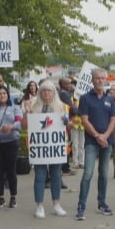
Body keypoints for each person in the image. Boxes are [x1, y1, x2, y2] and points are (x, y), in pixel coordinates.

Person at [23, 80, 69, 218]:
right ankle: (39, 206)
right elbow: (24, 126)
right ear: (39, 92)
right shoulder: (33, 106)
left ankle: (56, 204)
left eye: (49, 90)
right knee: (40, 176)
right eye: (43, 90)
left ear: (54, 92)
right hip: (40, 148)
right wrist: (26, 113)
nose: (46, 93)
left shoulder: (62, 107)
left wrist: (67, 121)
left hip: (55, 147)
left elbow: (68, 126)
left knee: (56, 175)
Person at [75, 68, 115, 220]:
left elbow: (113, 120)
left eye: (102, 78)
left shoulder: (110, 99)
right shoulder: (85, 98)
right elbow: (84, 120)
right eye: (97, 78)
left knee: (104, 175)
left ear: (106, 80)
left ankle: (102, 203)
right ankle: (81, 205)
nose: (100, 80)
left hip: (107, 141)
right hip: (92, 141)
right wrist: (97, 136)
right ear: (92, 80)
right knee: (88, 174)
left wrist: (105, 136)